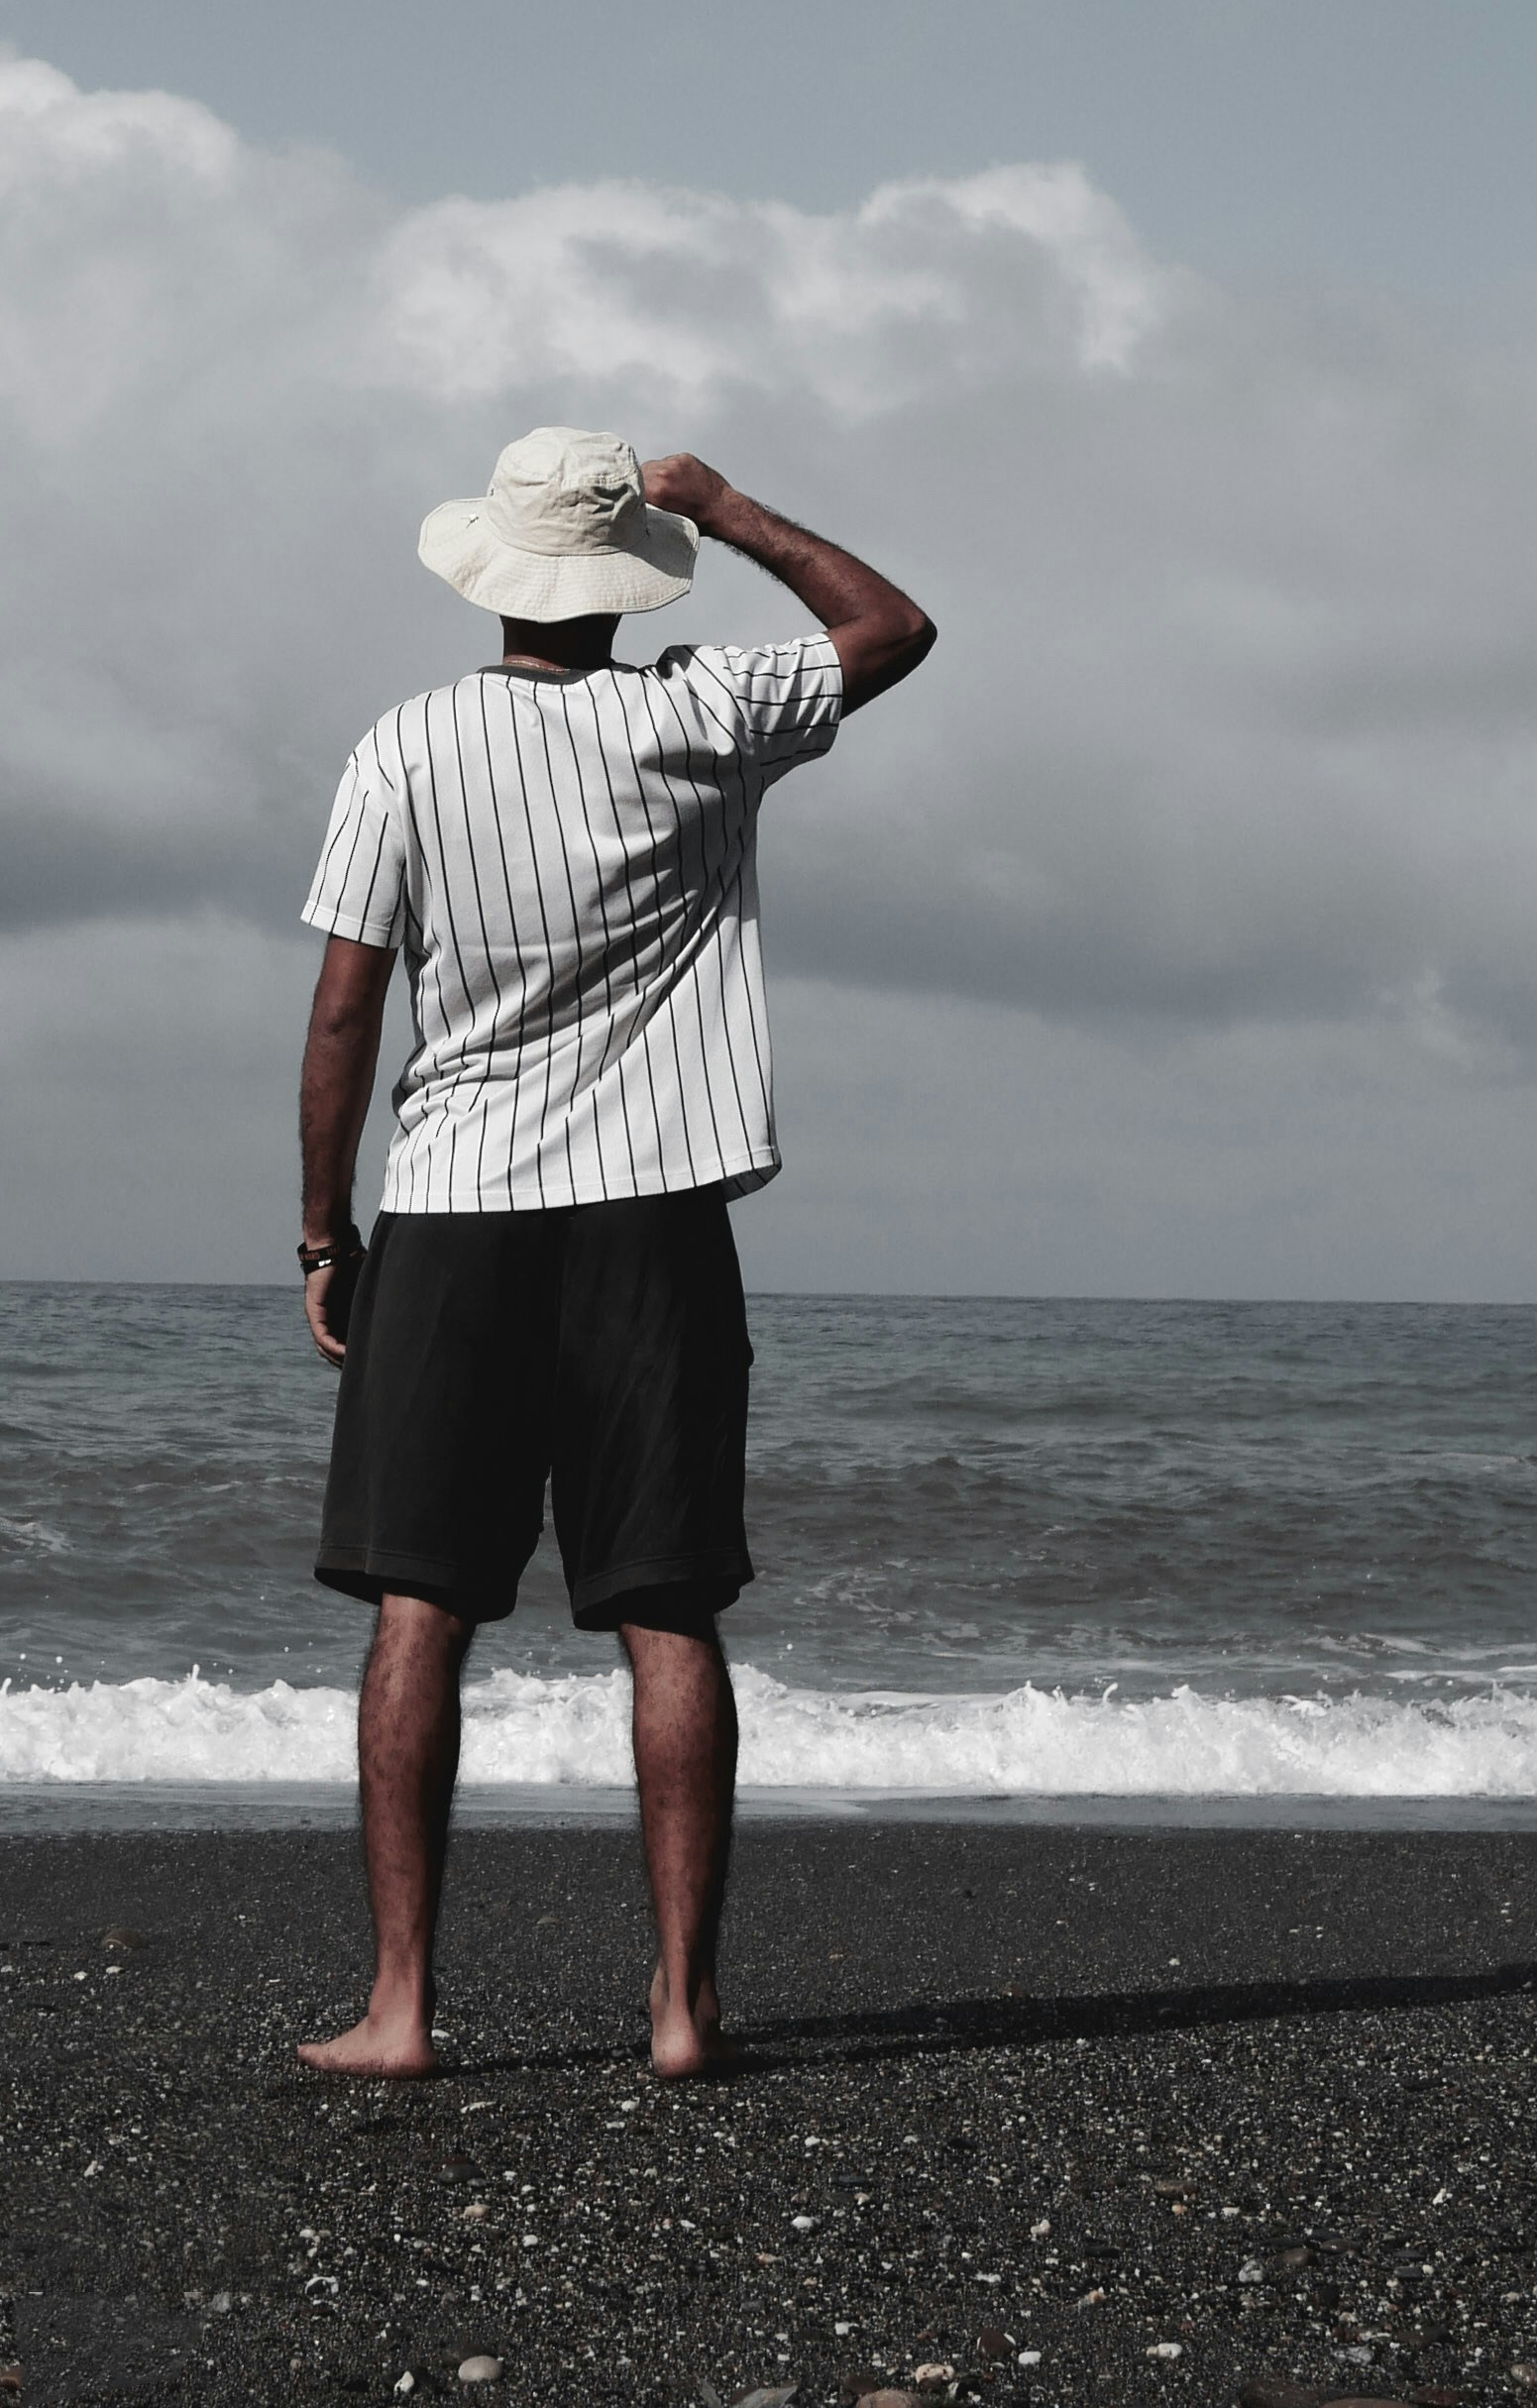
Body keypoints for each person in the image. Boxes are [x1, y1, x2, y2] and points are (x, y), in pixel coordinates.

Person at [291, 422, 934, 2079]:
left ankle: (404, 2007)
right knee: (666, 1614)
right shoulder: (700, 715)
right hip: (656, 1215)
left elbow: (348, 1010)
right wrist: (724, 506)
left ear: (496, 568)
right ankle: (679, 2009)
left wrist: (321, 1230)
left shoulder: (408, 747)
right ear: (631, 577)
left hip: (454, 1208)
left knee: (422, 1613)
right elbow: (890, 627)